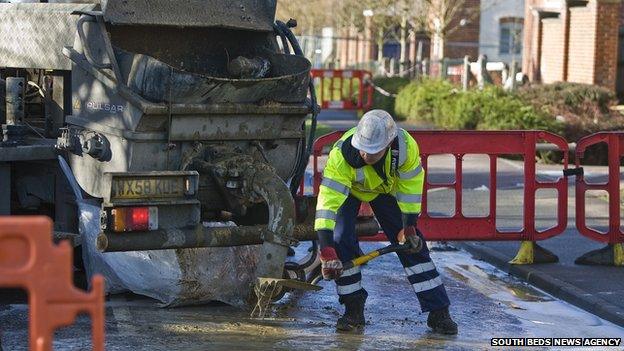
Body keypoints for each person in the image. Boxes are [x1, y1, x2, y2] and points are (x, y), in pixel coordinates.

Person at [314, 109, 458, 334]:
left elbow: (410, 190)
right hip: (350, 192)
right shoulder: (341, 156)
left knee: (412, 244)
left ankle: (438, 311)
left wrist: (408, 227)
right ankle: (353, 310)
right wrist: (326, 248)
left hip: (384, 192)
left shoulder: (406, 148)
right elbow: (327, 204)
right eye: (363, 149)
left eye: (373, 151)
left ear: (389, 143)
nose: (366, 156)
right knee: (341, 240)